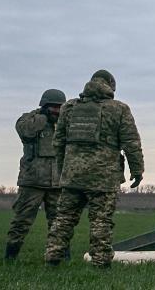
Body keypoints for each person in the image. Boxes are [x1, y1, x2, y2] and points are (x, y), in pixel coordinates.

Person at [43, 70, 144, 268]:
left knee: (63, 219)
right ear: (110, 86)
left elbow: (58, 142)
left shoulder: (69, 107)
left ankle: (52, 259)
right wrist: (137, 170)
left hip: (73, 176)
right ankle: (101, 264)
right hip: (103, 178)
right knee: (101, 221)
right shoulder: (119, 109)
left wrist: (65, 169)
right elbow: (131, 143)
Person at [4, 88, 67, 261]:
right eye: (53, 107)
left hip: (57, 183)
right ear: (45, 105)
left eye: (59, 107)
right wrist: (43, 118)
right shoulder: (29, 119)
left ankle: (61, 257)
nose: (56, 110)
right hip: (32, 182)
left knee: (59, 223)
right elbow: (25, 131)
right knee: (21, 221)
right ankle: (10, 257)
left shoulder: (65, 123)